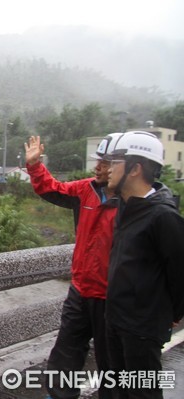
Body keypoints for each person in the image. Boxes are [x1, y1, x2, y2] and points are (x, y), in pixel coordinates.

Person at [25, 133, 122, 399]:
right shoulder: (85, 190)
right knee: (65, 354)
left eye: (105, 162)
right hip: (80, 291)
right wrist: (35, 166)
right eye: (98, 161)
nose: (98, 167)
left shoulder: (137, 205)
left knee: (112, 363)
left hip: (114, 298)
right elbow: (50, 188)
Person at [105, 131, 184, 399]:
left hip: (142, 327)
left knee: (142, 394)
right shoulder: (127, 209)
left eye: (116, 162)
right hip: (116, 319)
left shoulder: (163, 216)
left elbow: (179, 270)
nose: (108, 168)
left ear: (135, 168)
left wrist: (171, 314)